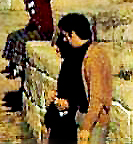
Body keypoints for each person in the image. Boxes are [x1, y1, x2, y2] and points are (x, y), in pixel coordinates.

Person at [48, 13, 112, 144]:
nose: (64, 40)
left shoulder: (94, 57)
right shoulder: (75, 53)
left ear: (73, 33)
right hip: (77, 118)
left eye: (66, 35)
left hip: (93, 121)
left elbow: (97, 98)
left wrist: (86, 128)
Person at [1, 0, 55, 79]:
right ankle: (11, 64)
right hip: (34, 29)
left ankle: (18, 69)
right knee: (12, 36)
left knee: (21, 41)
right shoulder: (29, 1)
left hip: (44, 32)